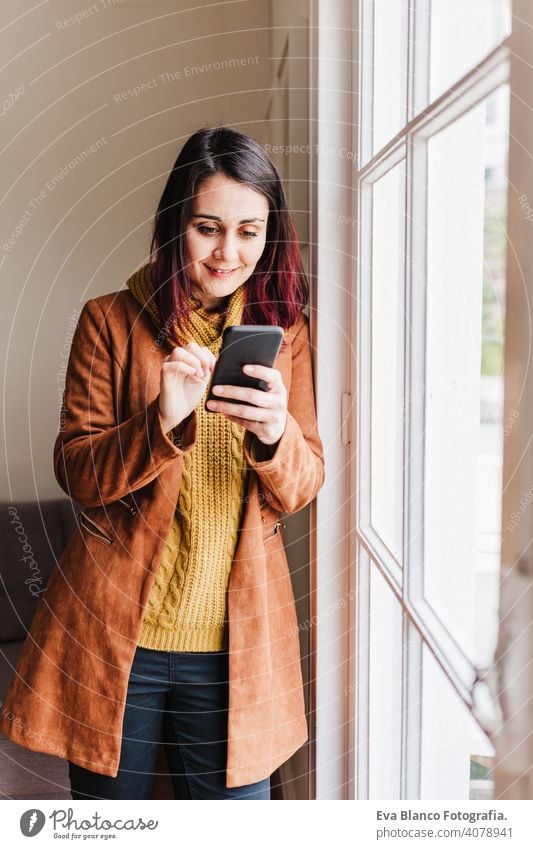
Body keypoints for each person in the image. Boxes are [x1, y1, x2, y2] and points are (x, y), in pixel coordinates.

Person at [0, 126, 325, 800]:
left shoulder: (286, 333)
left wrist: (274, 434)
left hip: (236, 645)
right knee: (110, 825)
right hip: (118, 636)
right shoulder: (109, 321)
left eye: (248, 231)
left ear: (271, 235)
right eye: (208, 228)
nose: (227, 253)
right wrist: (160, 423)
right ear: (177, 224)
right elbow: (80, 474)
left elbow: (302, 483)